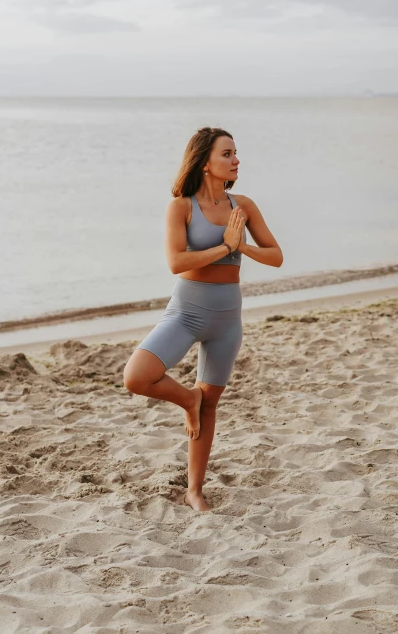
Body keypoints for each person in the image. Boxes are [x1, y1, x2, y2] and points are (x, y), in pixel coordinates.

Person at [123, 126, 283, 512]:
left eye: (235, 153)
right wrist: (222, 247)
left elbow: (275, 255)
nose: (236, 160)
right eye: (227, 154)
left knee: (211, 406)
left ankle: (195, 490)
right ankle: (186, 399)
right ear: (205, 162)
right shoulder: (180, 206)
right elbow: (176, 262)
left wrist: (239, 243)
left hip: (227, 319)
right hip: (187, 313)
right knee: (137, 376)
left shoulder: (242, 207)